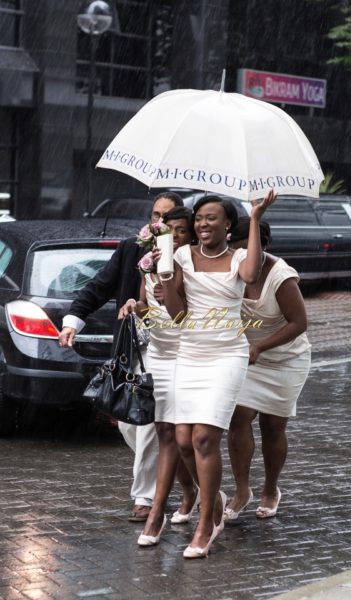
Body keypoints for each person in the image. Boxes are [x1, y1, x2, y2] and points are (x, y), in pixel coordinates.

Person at [157, 191, 276, 558]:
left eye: (211, 218)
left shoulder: (240, 257)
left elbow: (252, 274)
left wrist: (255, 217)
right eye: (199, 219)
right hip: (190, 352)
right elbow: (178, 315)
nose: (203, 224)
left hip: (227, 354)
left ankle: (206, 523)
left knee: (205, 437)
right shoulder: (178, 255)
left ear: (227, 225)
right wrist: (163, 277)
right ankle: (216, 499)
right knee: (182, 439)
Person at [58, 191, 184, 522]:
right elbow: (98, 288)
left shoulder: (192, 256)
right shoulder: (133, 248)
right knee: (132, 424)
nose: (159, 222)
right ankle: (189, 482)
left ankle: (145, 496)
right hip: (134, 349)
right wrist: (72, 322)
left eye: (167, 217)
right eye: (155, 215)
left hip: (176, 350)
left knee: (147, 426)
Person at [118, 207, 200, 546]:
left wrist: (173, 294)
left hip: (190, 352)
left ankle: (193, 495)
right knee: (157, 429)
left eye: (182, 230)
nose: (175, 236)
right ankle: (167, 497)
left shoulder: (195, 266)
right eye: (169, 231)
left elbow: (189, 313)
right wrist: (135, 307)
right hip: (158, 353)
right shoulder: (148, 265)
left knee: (185, 436)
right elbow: (145, 302)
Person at [224, 217, 311, 522]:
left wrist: (260, 347)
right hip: (247, 359)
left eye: (247, 246)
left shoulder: (280, 275)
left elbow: (299, 323)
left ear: (263, 245)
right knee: (238, 417)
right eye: (235, 246)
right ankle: (241, 490)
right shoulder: (230, 267)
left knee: (273, 427)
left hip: (286, 359)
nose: (240, 253)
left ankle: (271, 488)